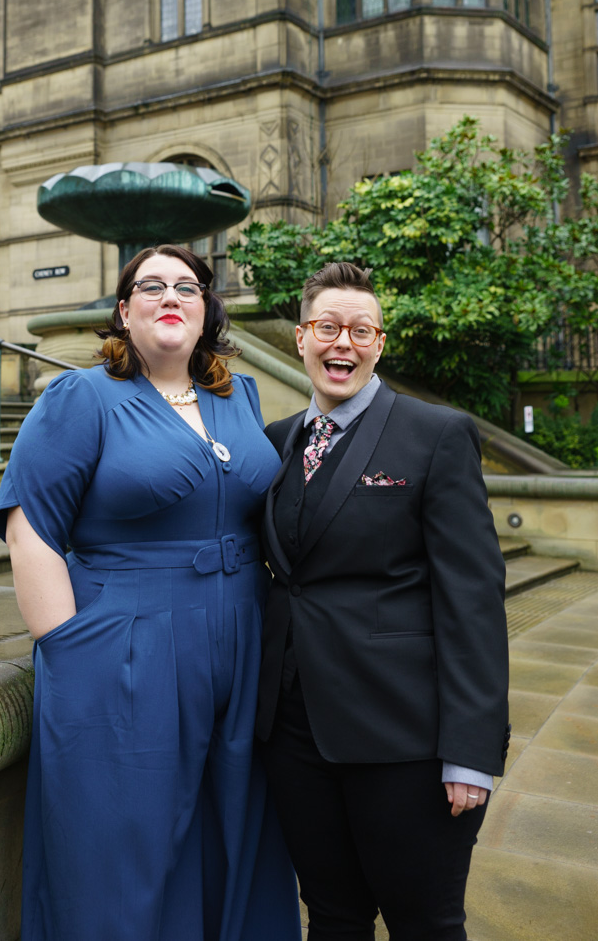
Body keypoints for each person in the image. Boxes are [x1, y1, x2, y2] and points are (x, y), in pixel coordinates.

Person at [0, 245, 300, 941]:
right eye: (151, 286)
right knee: (123, 843)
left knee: (236, 830)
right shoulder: (81, 397)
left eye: (187, 287)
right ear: (125, 313)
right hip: (126, 646)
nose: (171, 296)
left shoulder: (239, 396)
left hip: (242, 642)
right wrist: (68, 650)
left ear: (205, 310)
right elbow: (29, 530)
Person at [257, 261, 509, 941]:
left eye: (360, 330)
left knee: (424, 923)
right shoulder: (276, 441)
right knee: (332, 917)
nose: (343, 342)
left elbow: (472, 598)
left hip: (404, 737)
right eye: (327, 327)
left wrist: (470, 750)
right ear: (301, 337)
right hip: (293, 733)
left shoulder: (436, 434)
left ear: (379, 344)